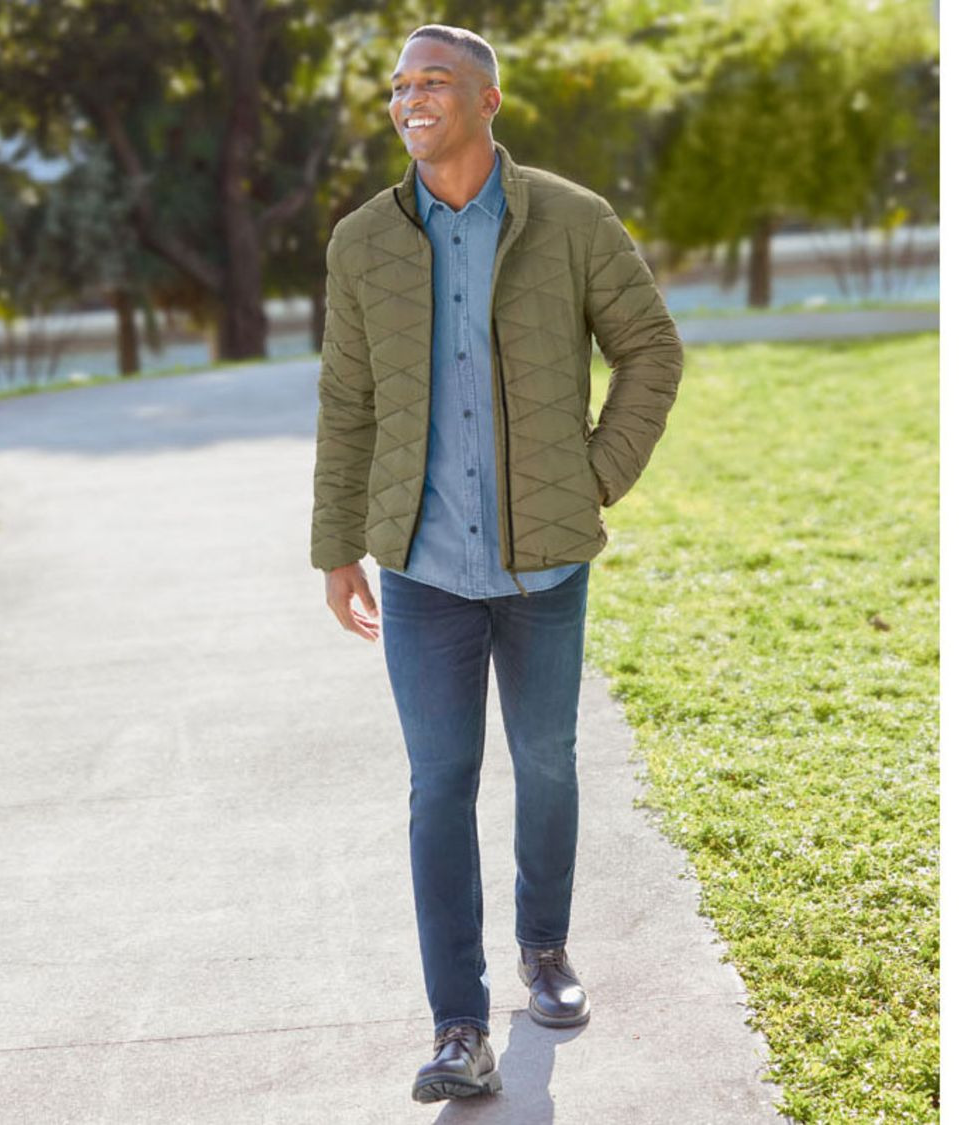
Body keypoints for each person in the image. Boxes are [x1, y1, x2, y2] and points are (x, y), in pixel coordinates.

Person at [310, 23, 684, 1104]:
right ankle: (458, 1025)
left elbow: (650, 348)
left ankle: (546, 948)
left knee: (548, 761)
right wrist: (337, 546)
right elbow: (347, 401)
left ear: (489, 100)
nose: (410, 98)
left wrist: (594, 475)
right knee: (439, 786)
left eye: (433, 80)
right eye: (399, 85)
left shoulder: (571, 218)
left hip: (543, 569)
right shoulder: (362, 243)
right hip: (423, 568)